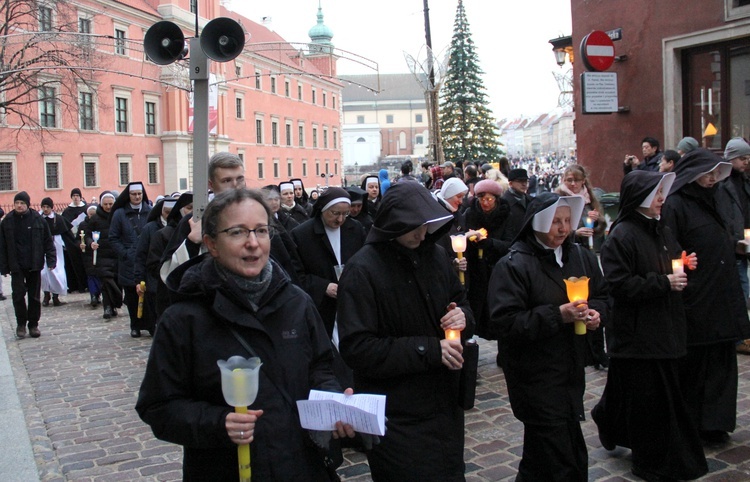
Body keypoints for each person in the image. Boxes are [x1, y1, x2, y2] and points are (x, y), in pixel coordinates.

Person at [136, 188, 355, 481]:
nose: (253, 243)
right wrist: (219, 422)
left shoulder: (297, 302)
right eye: (238, 232)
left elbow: (321, 367)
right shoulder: (183, 318)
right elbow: (158, 406)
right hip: (224, 469)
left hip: (300, 465)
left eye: (261, 231)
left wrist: (332, 399)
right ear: (212, 244)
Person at [338, 182, 473, 481]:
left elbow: (463, 303)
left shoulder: (436, 256)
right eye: (413, 225)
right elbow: (358, 348)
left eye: (425, 224)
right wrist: (430, 349)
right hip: (396, 417)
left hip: (444, 407)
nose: (421, 232)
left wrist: (462, 317)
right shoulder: (362, 270)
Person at [592, 171, 708, 481]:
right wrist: (663, 282)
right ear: (641, 198)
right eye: (657, 195)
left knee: (640, 393)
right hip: (638, 333)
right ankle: (651, 461)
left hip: (664, 326)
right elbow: (618, 285)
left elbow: (666, 264)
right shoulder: (622, 235)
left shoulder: (661, 229)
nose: (661, 200)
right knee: (649, 402)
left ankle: (609, 420)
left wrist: (683, 265)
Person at [487, 193, 608, 481]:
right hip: (534, 373)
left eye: (567, 221)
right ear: (537, 222)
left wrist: (596, 314)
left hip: (569, 367)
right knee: (554, 452)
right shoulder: (514, 264)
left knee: (552, 450)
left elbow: (603, 296)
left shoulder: (580, 256)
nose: (563, 228)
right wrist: (559, 315)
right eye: (555, 221)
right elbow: (505, 322)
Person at [661, 148, 750, 445]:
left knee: (722, 361)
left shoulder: (713, 199)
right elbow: (669, 249)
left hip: (722, 293)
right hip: (697, 296)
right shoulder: (675, 205)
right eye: (708, 174)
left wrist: (734, 246)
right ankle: (697, 422)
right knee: (698, 365)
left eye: (716, 174)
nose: (713, 179)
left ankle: (716, 421)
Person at [290, 187, 366, 340]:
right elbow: (295, 275)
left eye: (346, 214)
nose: (340, 220)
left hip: (352, 304)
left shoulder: (355, 229)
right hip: (321, 308)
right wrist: (323, 286)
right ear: (322, 209)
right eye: (335, 213)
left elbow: (366, 263)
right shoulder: (301, 235)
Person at [0, 191, 56, 338]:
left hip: (34, 263)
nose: (19, 206)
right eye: (17, 203)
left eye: (22, 203)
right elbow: (2, 245)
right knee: (18, 296)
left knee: (34, 296)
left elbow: (47, 242)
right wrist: (3, 266)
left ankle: (33, 324)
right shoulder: (7, 221)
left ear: (28, 204)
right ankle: (20, 324)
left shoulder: (37, 219)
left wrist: (51, 260)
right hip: (16, 265)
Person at [464, 179, 511, 339]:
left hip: (499, 268)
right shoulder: (470, 214)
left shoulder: (506, 215)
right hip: (477, 269)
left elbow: (511, 243)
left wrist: (490, 243)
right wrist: (469, 238)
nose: (485, 203)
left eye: (489, 199)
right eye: (481, 199)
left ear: (496, 199)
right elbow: (459, 233)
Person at [718, 138, 750, 354]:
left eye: (748, 158)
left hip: (744, 242)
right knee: (740, 288)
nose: (746, 162)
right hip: (733, 245)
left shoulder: (744, 180)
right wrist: (733, 240)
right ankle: (740, 335)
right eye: (742, 158)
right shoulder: (723, 184)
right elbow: (725, 215)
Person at [108, 182, 152, 338]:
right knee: (132, 296)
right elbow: (113, 238)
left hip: (146, 260)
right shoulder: (120, 214)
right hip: (128, 261)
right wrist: (125, 253)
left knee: (148, 295)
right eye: (134, 194)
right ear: (128, 195)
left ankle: (149, 323)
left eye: (139, 194)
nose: (137, 197)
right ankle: (135, 325)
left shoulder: (149, 211)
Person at [84, 192, 122, 320]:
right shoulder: (95, 218)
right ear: (101, 204)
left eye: (110, 204)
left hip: (117, 254)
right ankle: (107, 307)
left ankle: (113, 305)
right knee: (106, 282)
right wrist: (90, 243)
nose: (108, 206)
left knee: (115, 281)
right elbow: (88, 235)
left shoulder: (119, 215)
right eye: (105, 204)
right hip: (102, 255)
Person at [39, 197, 71, 306]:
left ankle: (56, 296)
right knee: (44, 273)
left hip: (56, 246)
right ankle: (46, 294)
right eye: (43, 207)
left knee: (57, 272)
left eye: (47, 207)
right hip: (42, 247)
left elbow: (67, 234)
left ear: (51, 208)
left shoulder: (57, 219)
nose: (45, 209)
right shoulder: (39, 219)